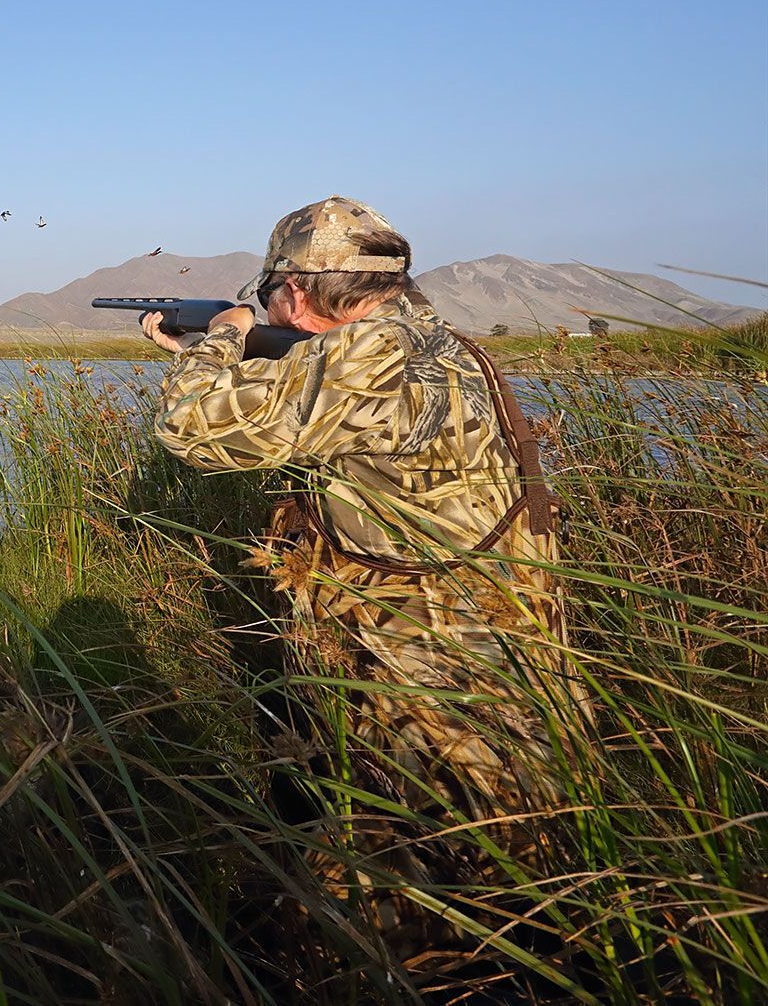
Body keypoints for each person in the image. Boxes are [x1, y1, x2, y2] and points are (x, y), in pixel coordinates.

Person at [144, 196, 588, 971]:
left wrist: (215, 342)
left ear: (296, 293)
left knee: (414, 921)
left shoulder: (363, 361)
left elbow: (190, 427)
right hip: (514, 674)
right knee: (529, 900)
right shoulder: (438, 343)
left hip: (437, 695)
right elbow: (316, 405)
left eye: (270, 290)